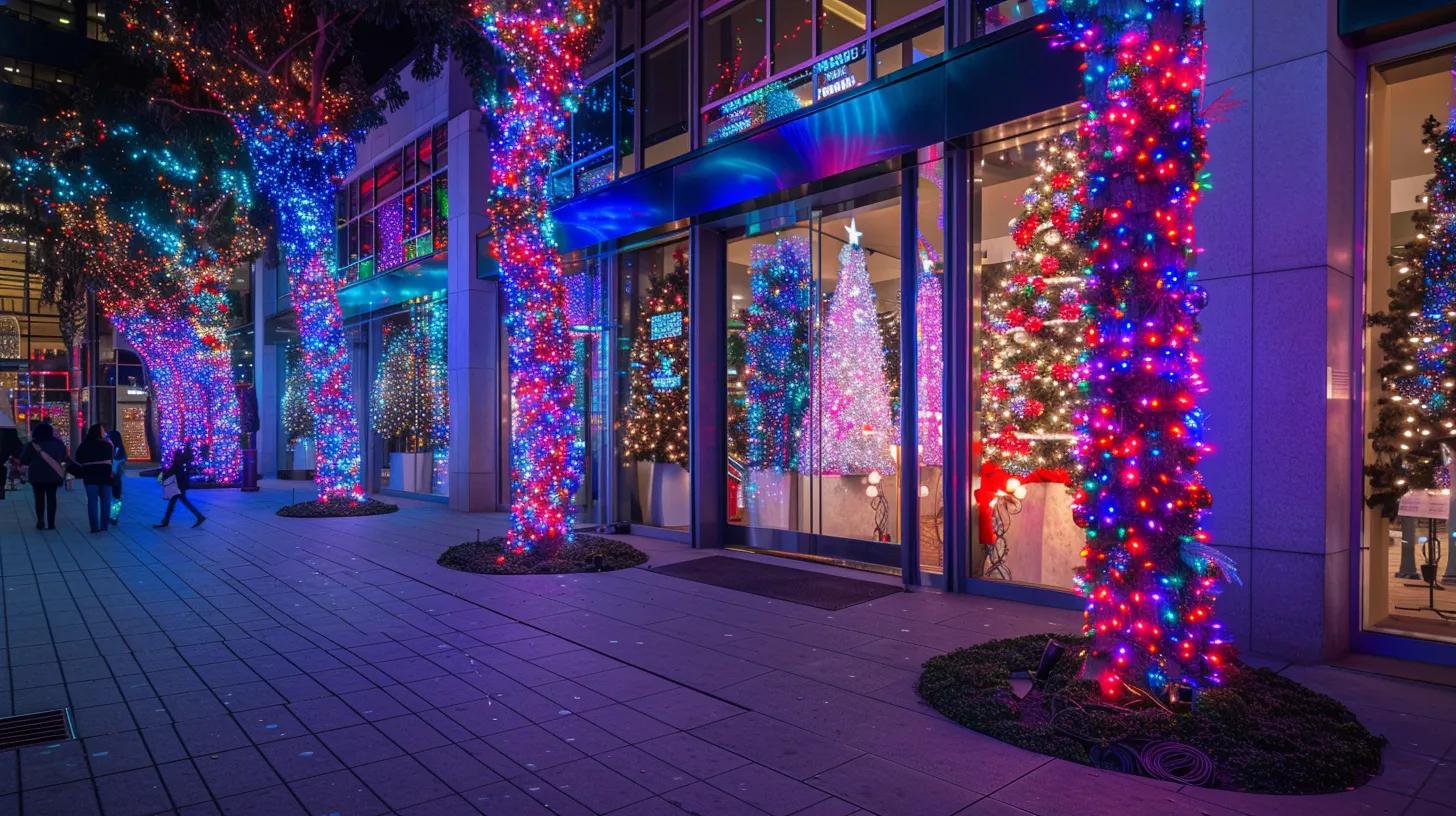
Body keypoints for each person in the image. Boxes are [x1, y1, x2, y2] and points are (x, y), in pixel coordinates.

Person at [19, 422, 67, 530]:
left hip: (37, 475)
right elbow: (64, 457)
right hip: (53, 474)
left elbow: (24, 460)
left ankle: (40, 520)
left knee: (39, 498)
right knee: (52, 498)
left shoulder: (32, 444)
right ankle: (51, 523)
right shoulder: (58, 444)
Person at [75, 423, 116, 533]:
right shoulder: (107, 445)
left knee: (92, 501)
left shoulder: (84, 445)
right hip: (105, 476)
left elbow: (78, 459)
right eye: (103, 431)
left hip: (90, 475)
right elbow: (111, 460)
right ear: (99, 432)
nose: (105, 433)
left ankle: (94, 527)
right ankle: (104, 526)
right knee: (106, 501)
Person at [155, 444, 205, 528]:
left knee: (177, 501)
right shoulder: (185, 459)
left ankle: (199, 516)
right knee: (175, 501)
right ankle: (166, 520)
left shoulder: (182, 459)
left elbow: (176, 469)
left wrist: (165, 475)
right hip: (180, 483)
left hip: (179, 484)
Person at [107, 429, 126, 524]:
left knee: (113, 496)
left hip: (112, 477)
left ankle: (113, 515)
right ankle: (114, 516)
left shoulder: (109, 448)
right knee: (116, 497)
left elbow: (116, 463)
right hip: (116, 477)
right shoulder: (121, 449)